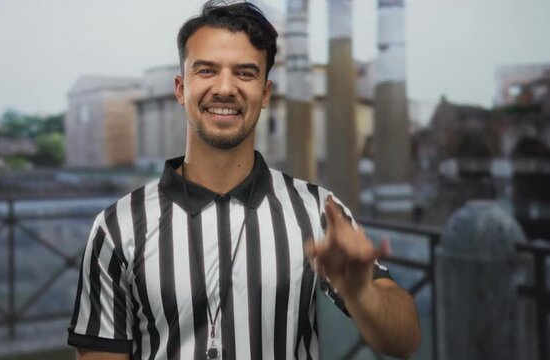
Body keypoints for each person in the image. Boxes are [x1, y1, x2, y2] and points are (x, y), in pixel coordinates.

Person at [67, 1, 421, 359]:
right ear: (179, 88)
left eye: (245, 73)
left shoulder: (318, 211)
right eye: (206, 71)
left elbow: (404, 339)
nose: (225, 88)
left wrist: (363, 294)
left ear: (265, 93)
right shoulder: (117, 226)